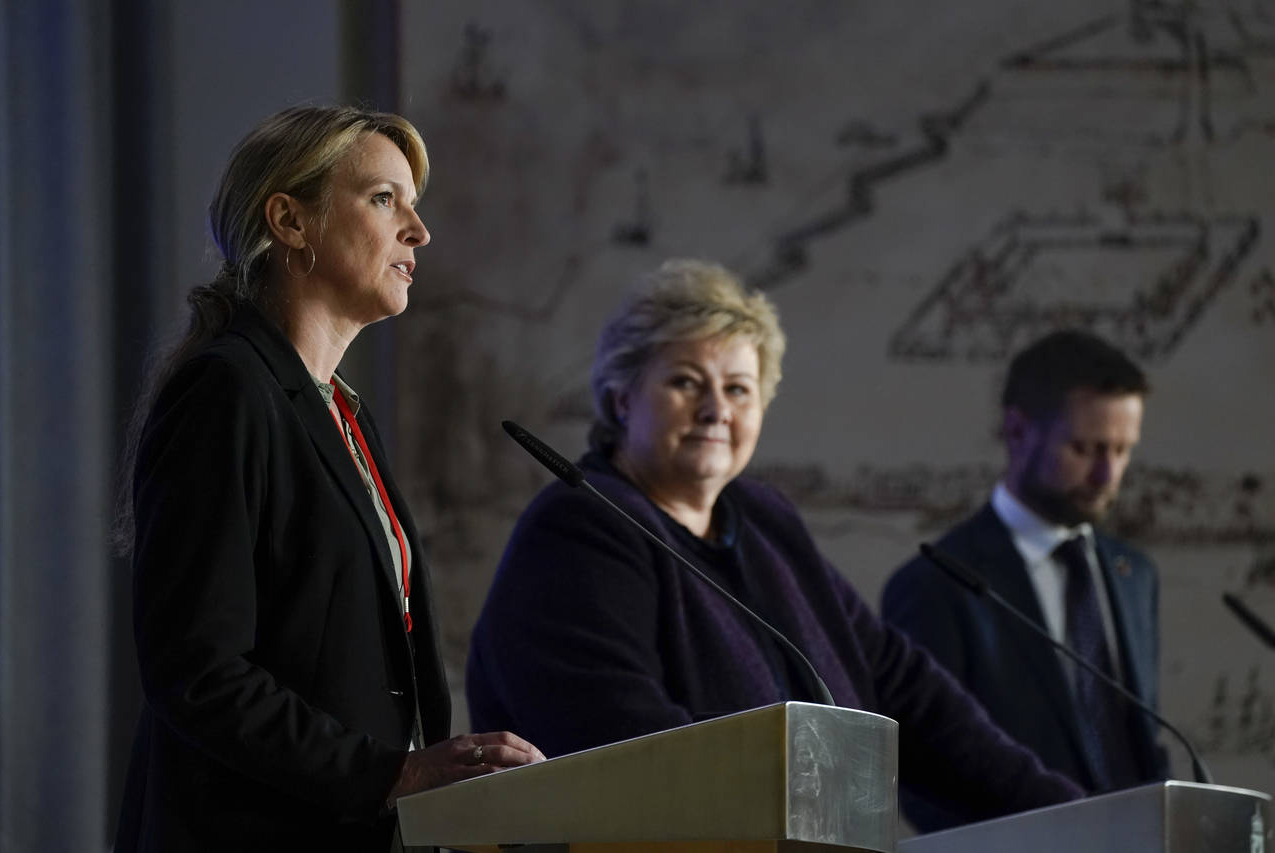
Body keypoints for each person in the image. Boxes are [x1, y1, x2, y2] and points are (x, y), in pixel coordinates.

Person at [466, 259, 1083, 831]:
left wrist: (1075, 816)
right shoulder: (581, 528)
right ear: (622, 398)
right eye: (686, 382)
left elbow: (904, 689)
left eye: (738, 389)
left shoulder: (763, 520)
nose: (716, 411)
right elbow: (627, 747)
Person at [112, 105, 543, 852]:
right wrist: (392, 774)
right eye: (384, 199)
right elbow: (199, 669)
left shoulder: (343, 411)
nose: (418, 230)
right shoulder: (226, 390)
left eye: (414, 204)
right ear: (290, 220)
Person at [882, 329, 1166, 829]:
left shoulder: (1135, 574)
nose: (1107, 475)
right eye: (1085, 448)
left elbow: (1141, 745)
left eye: (1123, 451)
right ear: (1017, 431)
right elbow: (922, 779)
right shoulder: (936, 583)